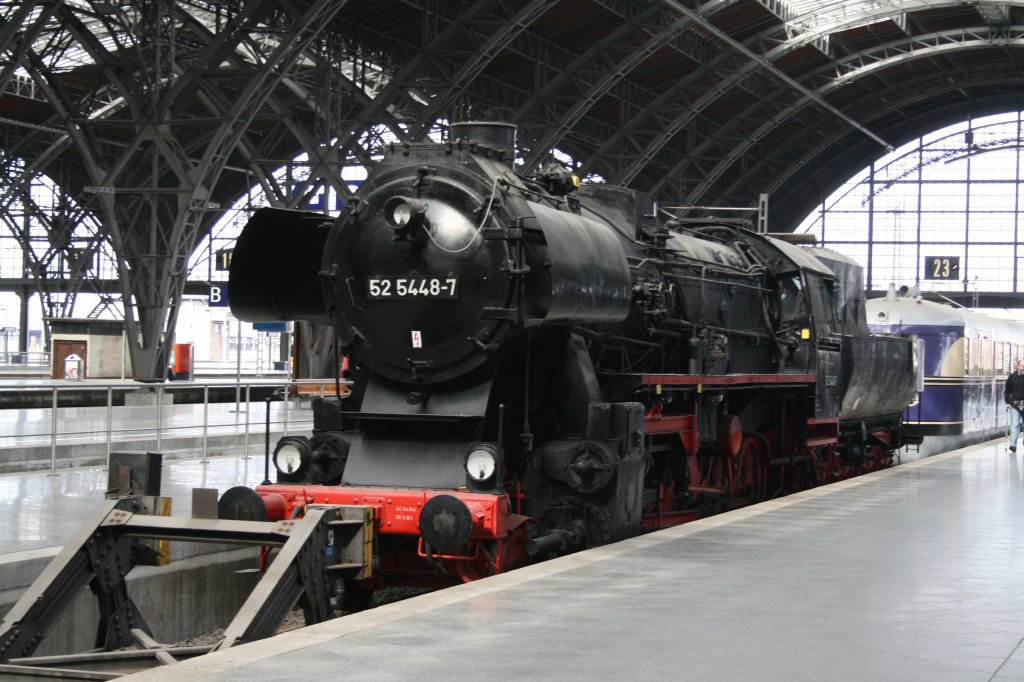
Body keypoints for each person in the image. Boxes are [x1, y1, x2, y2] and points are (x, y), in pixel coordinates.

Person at [1004, 360, 1024, 452]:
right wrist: (1007, 402)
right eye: (1022, 366)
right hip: (1015, 404)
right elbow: (1007, 390)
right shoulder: (1012, 377)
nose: (1023, 368)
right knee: (1015, 425)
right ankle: (1013, 445)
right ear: (1018, 366)